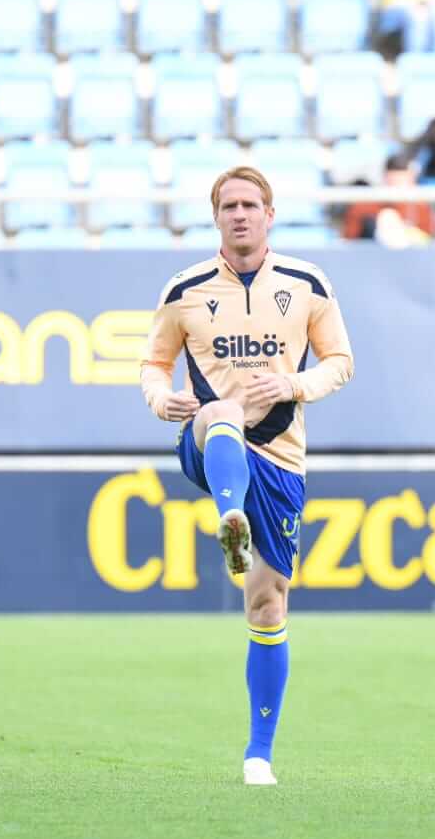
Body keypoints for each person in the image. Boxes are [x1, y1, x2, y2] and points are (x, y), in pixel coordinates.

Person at [139, 167, 354, 786]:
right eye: (228, 205)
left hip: (282, 460)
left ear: (269, 213)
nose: (240, 214)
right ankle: (228, 516)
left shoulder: (307, 283)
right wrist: (162, 401)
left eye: (250, 204)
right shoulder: (186, 290)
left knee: (266, 603)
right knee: (222, 413)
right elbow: (154, 363)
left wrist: (294, 383)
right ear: (216, 217)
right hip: (210, 442)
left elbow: (341, 360)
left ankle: (259, 754)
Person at [342, 155, 435, 242]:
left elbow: (428, 243)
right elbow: (349, 242)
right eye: (394, 182)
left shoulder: (420, 208)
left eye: (403, 182)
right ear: (386, 178)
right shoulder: (363, 207)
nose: (398, 187)